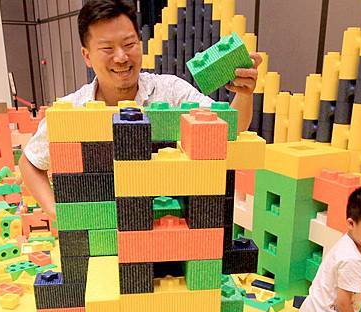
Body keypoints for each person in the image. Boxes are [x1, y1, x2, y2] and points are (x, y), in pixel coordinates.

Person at [19, 0, 261, 219]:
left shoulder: (171, 91)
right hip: (103, 230)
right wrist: (57, 212)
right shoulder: (74, 110)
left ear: (140, 43)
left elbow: (229, 129)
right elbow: (30, 162)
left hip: (166, 226)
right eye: (107, 48)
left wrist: (243, 93)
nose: (122, 57)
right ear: (87, 56)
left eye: (129, 44)